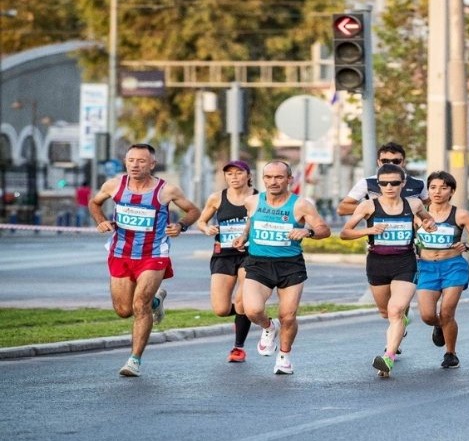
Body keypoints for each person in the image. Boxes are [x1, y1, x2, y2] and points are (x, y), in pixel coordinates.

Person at [88, 143, 201, 377]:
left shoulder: (166, 190)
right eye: (131, 160)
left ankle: (134, 360)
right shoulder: (114, 185)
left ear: (152, 164)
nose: (135, 165)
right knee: (123, 310)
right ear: (125, 162)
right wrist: (100, 220)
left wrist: (180, 225)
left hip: (153, 254)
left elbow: (193, 211)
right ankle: (157, 302)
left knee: (140, 305)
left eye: (141, 161)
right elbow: (94, 202)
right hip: (121, 253)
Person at [231, 161, 330, 375]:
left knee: (288, 315)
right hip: (258, 263)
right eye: (268, 177)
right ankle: (268, 327)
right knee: (252, 310)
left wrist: (308, 232)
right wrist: (243, 236)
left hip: (290, 265)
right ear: (263, 179)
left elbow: (324, 229)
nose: (273, 181)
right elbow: (251, 222)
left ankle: (284, 357)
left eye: (278, 177)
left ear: (289, 179)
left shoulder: (301, 205)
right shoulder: (252, 201)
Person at [339, 164, 436, 377]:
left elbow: (427, 218)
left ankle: (388, 357)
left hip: (405, 261)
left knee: (396, 310)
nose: (389, 187)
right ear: (378, 185)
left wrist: (429, 224)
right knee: (386, 312)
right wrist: (369, 230)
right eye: (384, 183)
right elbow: (345, 233)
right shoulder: (368, 206)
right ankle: (402, 321)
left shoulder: (413, 203)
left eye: (394, 183)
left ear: (403, 184)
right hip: (377, 262)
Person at [415, 171, 469, 369]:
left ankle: (450, 353)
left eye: (443, 188)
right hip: (426, 268)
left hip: (453, 266)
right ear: (428, 190)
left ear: (452, 191)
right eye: (433, 187)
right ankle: (439, 326)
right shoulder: (418, 214)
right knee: (428, 315)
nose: (438, 192)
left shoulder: (460, 214)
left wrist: (467, 246)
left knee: (447, 311)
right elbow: (408, 238)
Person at [195, 160, 258, 363]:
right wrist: (207, 229)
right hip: (223, 254)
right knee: (221, 309)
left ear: (248, 175)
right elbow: (201, 221)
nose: (234, 177)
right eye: (229, 174)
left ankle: (238, 348)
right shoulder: (217, 198)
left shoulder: (259, 198)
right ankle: (244, 315)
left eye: (239, 173)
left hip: (251, 254)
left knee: (242, 300)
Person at [336, 141, 428, 216]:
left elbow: (432, 206)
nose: (391, 164)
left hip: (410, 237)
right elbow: (342, 208)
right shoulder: (367, 183)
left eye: (396, 161)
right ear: (379, 162)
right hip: (377, 235)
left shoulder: (419, 184)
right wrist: (374, 208)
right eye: (385, 161)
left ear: (403, 162)